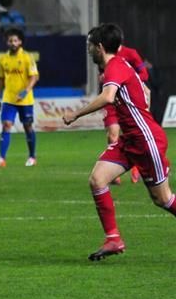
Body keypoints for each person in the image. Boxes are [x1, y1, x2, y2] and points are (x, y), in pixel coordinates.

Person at [62, 24, 174, 261]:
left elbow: (108, 97)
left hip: (146, 141)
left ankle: (113, 238)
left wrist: (75, 114)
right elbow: (143, 92)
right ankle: (113, 239)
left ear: (100, 47)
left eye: (90, 45)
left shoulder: (114, 67)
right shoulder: (117, 66)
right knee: (97, 179)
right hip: (130, 140)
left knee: (163, 199)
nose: (89, 49)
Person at [101, 40, 150, 184]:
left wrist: (128, 79)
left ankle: (136, 167)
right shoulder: (105, 56)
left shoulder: (131, 54)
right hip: (112, 99)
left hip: (130, 100)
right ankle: (113, 174)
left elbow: (144, 74)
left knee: (134, 136)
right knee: (112, 135)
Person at [0, 27, 39, 167]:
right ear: (7, 43)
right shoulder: (3, 59)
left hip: (25, 100)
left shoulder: (27, 57)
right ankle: (2, 158)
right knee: (6, 125)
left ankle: (32, 156)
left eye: (15, 40)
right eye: (10, 40)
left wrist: (26, 90)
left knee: (27, 126)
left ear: (20, 42)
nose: (12, 43)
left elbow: (34, 76)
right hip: (9, 99)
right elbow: (0, 79)